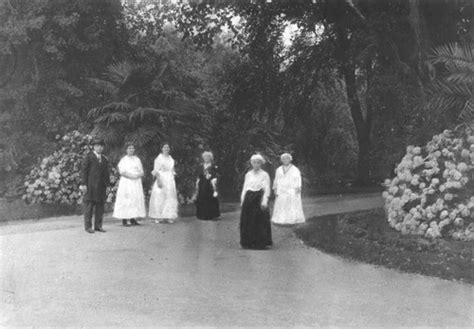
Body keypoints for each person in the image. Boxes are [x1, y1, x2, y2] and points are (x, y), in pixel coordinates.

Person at [240, 154, 272, 250]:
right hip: (249, 198)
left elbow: (267, 188)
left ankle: (260, 243)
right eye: (254, 162)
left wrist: (265, 200)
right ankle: (248, 242)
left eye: (258, 162)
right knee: (247, 220)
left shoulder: (265, 174)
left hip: (259, 197)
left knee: (259, 221)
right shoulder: (248, 174)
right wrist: (242, 200)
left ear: (261, 163)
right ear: (251, 163)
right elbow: (245, 188)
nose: (256, 164)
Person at [80, 137, 110, 234]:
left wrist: (108, 186)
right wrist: (83, 184)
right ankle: (88, 226)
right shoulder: (89, 157)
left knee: (100, 207)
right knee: (89, 206)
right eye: (97, 146)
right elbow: (84, 171)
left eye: (101, 146)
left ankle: (98, 226)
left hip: (101, 187)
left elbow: (106, 174)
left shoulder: (104, 160)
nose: (100, 148)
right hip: (90, 186)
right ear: (94, 147)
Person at [113, 143, 146, 227]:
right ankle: (124, 220)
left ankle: (133, 219)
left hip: (136, 182)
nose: (131, 150)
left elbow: (142, 171)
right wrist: (132, 176)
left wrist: (138, 175)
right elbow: (122, 172)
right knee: (126, 200)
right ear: (126, 150)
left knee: (134, 199)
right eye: (129, 148)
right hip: (127, 182)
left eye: (132, 148)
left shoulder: (137, 159)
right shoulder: (124, 160)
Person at [272, 153, 305, 225]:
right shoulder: (278, 169)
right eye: (283, 159)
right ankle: (280, 220)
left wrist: (298, 187)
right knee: (281, 205)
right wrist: (275, 188)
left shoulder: (295, 169)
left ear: (290, 159)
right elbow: (276, 179)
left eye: (287, 158)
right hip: (281, 190)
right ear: (281, 160)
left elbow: (298, 179)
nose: (285, 160)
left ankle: (291, 221)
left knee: (291, 205)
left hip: (291, 190)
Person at [149, 142, 178, 223]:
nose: (166, 149)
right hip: (161, 177)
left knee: (170, 196)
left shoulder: (171, 158)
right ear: (161, 148)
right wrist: (158, 180)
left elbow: (172, 169)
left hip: (170, 179)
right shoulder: (158, 158)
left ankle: (168, 216)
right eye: (165, 147)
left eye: (168, 147)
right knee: (159, 196)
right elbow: (156, 170)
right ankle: (158, 216)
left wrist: (173, 176)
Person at [193, 151, 220, 221]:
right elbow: (199, 174)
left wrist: (212, 178)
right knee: (201, 198)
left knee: (210, 199)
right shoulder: (201, 166)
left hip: (210, 184)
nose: (206, 158)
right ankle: (202, 215)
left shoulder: (213, 166)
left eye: (208, 157)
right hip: (202, 184)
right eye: (205, 157)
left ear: (210, 158)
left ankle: (211, 215)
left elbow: (216, 175)